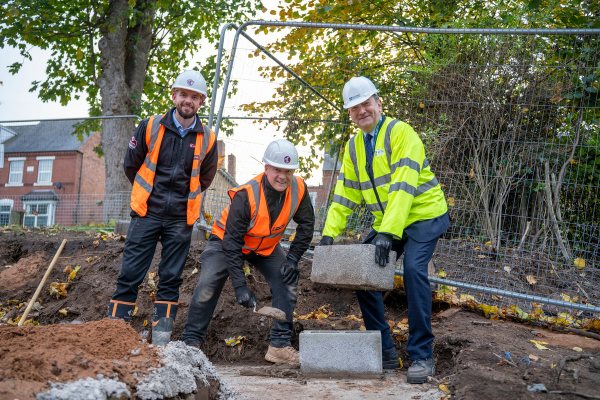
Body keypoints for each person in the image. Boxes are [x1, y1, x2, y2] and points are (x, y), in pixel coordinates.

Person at [318, 76, 451, 383]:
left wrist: (387, 234)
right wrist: (329, 233)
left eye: (366, 104)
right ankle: (385, 351)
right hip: (389, 221)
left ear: (378, 103)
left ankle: (421, 355)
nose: (361, 111)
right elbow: (344, 194)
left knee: (414, 271)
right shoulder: (353, 148)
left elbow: (403, 186)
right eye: (354, 108)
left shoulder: (401, 133)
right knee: (364, 273)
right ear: (350, 114)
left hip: (423, 215)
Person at [107, 70, 219, 346]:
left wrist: (181, 201)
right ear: (174, 96)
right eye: (183, 95)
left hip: (181, 219)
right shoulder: (151, 126)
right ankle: (113, 338)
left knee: (170, 278)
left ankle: (162, 343)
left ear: (201, 101)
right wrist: (150, 195)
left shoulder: (208, 138)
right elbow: (131, 166)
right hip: (147, 213)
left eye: (194, 97)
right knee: (130, 274)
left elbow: (205, 178)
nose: (187, 101)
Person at [181, 139, 315, 363]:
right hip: (226, 242)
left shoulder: (299, 188)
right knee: (207, 285)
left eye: (288, 171)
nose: (282, 176)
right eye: (277, 170)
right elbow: (232, 244)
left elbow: (307, 226)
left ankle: (279, 345)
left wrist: (292, 259)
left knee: (287, 280)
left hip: (265, 246)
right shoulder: (246, 195)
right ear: (266, 168)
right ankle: (190, 344)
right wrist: (240, 286)